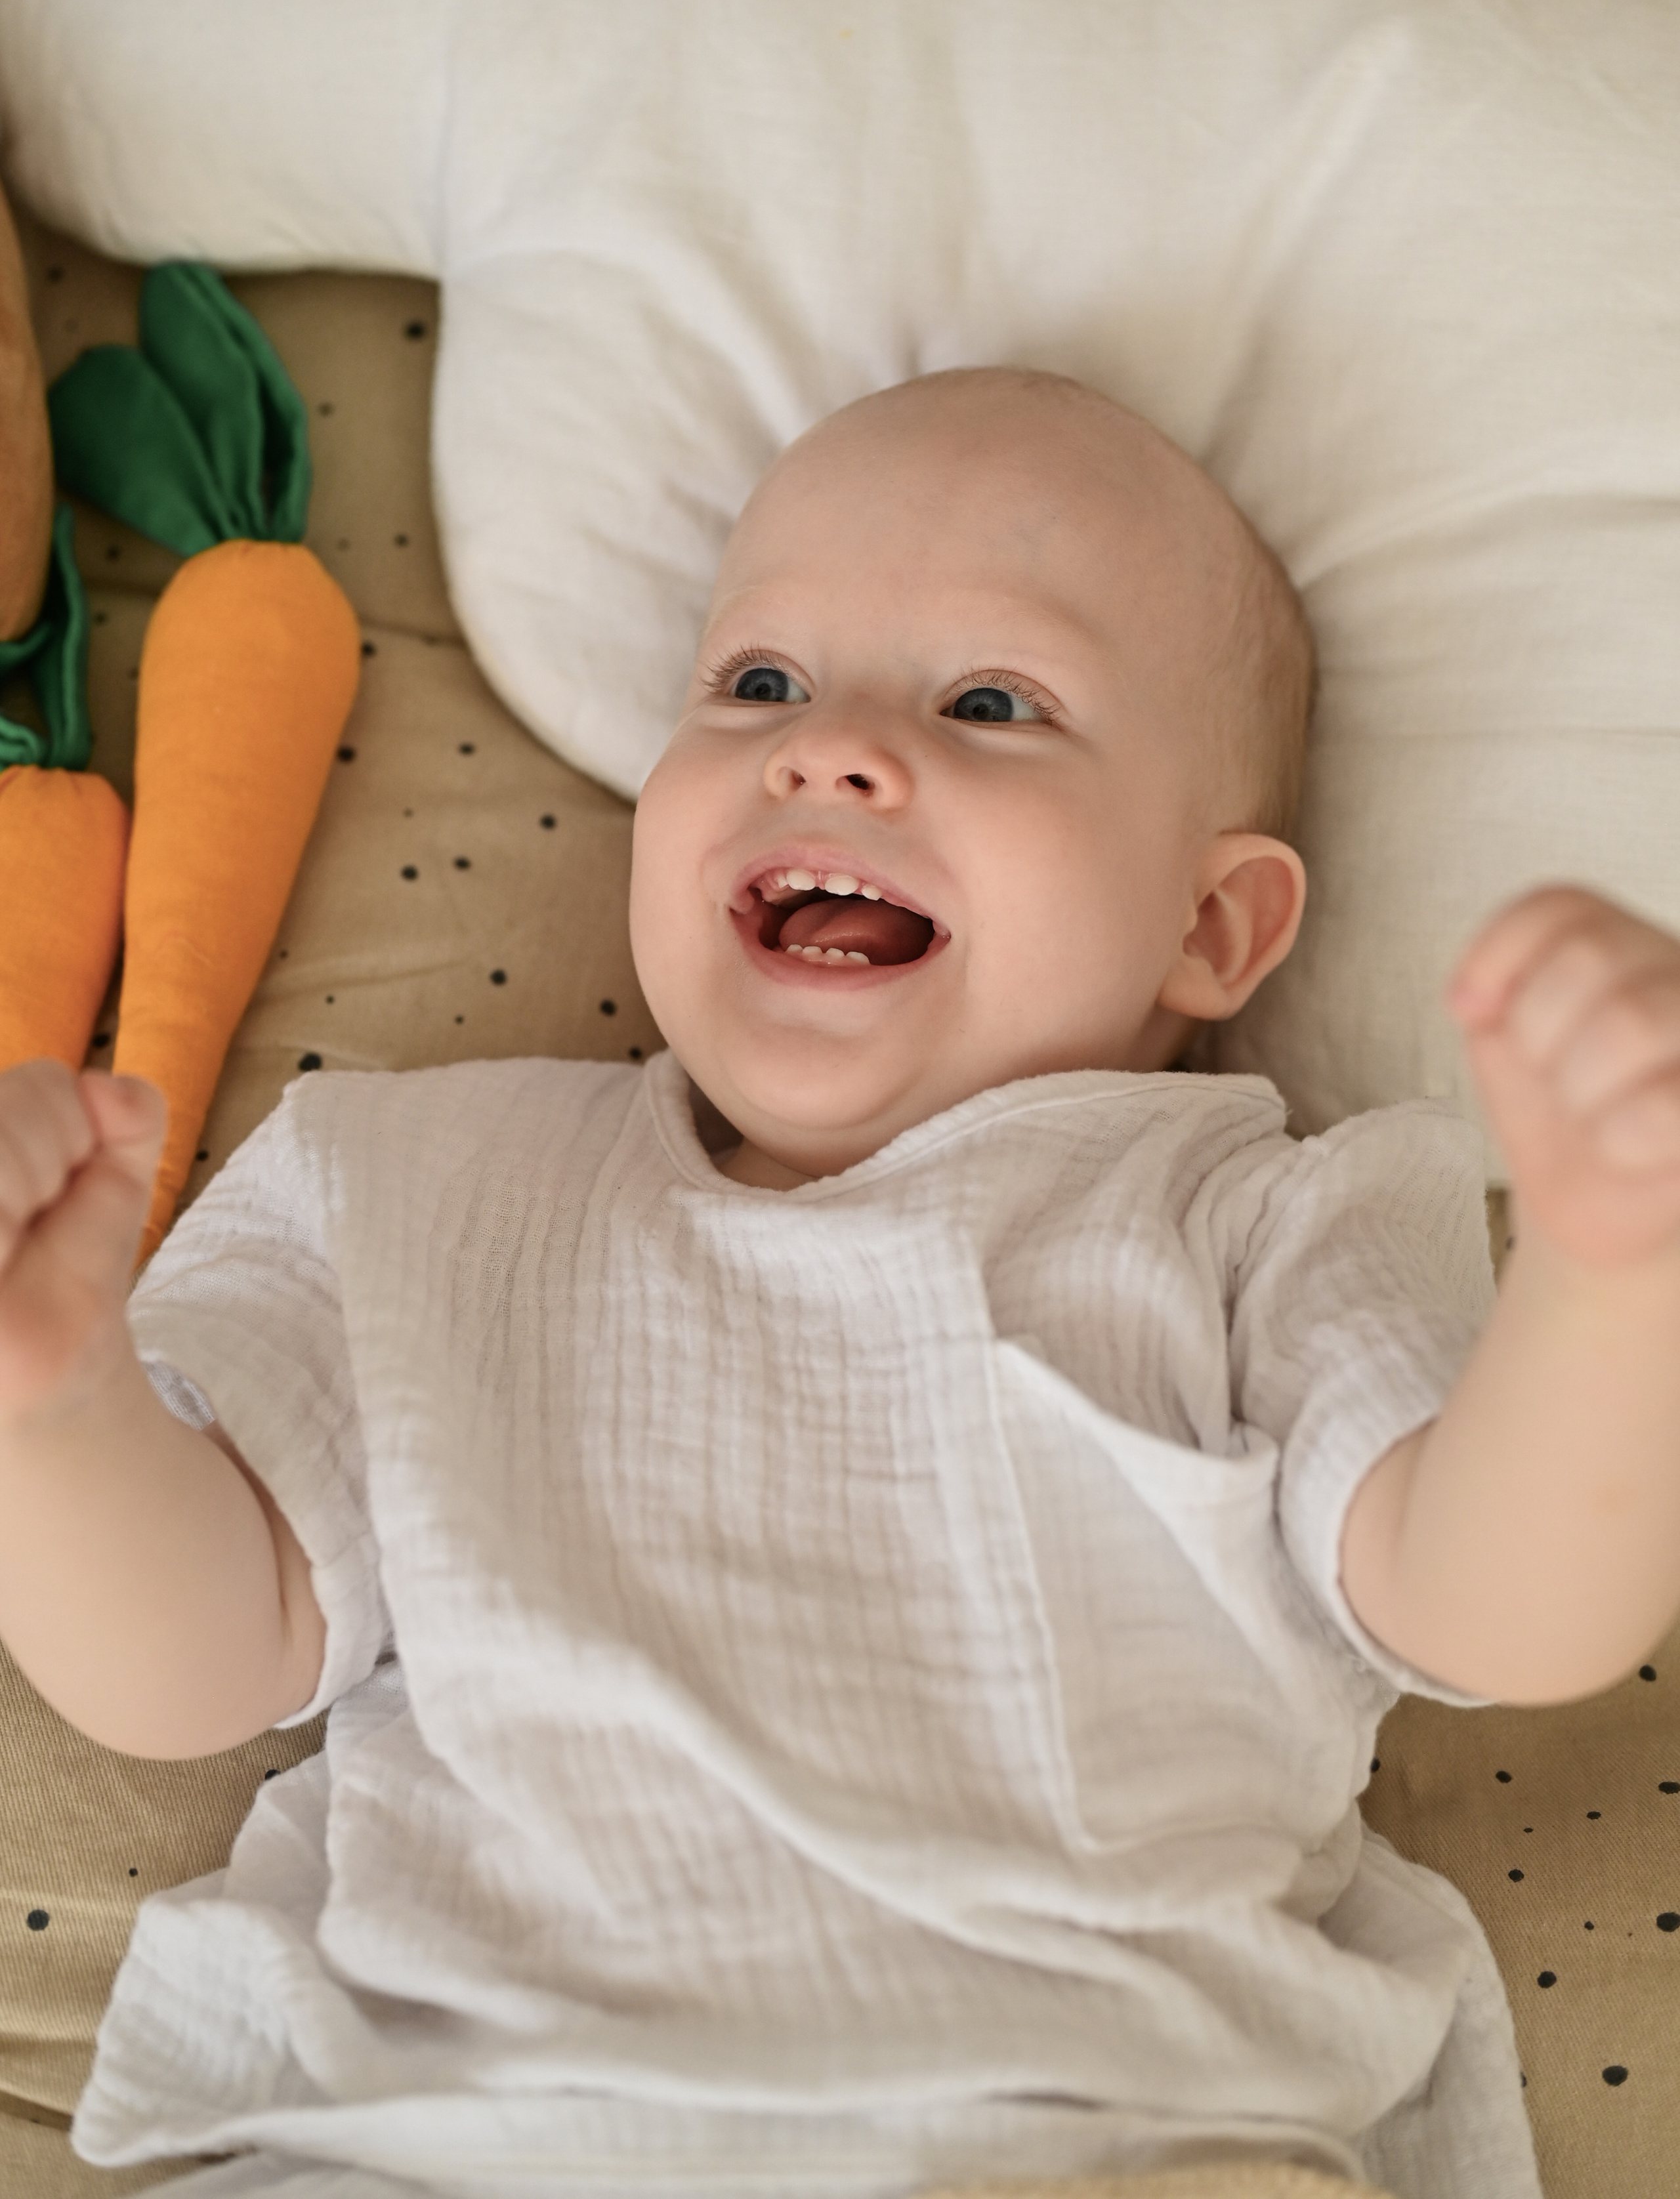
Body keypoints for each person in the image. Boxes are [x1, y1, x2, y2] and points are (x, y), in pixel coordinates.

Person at [3, 367, 1677, 2199]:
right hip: (469, 2136)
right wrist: (57, 1396)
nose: (831, 749)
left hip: (1092, 2129)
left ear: (1211, 924)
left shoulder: (1263, 1215)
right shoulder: (402, 1180)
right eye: (760, 683)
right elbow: (189, 1666)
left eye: (989, 701)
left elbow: (1491, 1607)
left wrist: (1613, 1278)